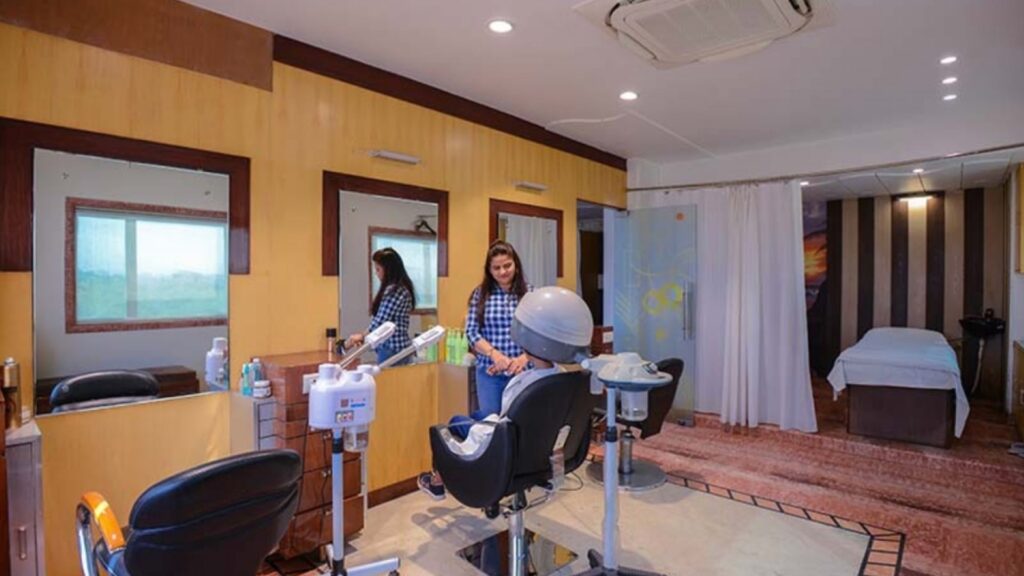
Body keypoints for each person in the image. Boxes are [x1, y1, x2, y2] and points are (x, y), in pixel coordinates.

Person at [418, 286, 594, 500]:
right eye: (497, 269)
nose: (503, 271)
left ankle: (438, 482)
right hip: (539, 454)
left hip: (508, 455)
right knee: (479, 415)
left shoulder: (526, 388)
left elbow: (506, 422)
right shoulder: (563, 378)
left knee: (455, 421)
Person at [465, 240, 532, 415]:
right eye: (496, 268)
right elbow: (471, 333)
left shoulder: (530, 294)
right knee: (492, 422)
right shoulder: (480, 294)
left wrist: (523, 358)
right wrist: (495, 355)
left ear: (516, 265)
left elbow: (541, 334)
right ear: (489, 270)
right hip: (490, 374)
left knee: (522, 422)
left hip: (523, 372)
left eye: (507, 265)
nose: (503, 272)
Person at [345, 248, 416, 365]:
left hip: (392, 350)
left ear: (388, 270)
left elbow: (380, 321)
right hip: (397, 348)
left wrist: (362, 336)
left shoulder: (395, 291)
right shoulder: (400, 289)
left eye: (378, 269)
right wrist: (363, 337)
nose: (376, 273)